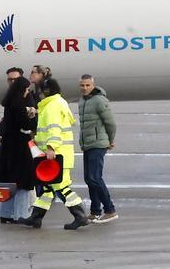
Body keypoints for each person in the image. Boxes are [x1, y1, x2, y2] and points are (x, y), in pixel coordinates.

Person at [19, 78, 88, 230]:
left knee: (61, 187)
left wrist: (51, 147)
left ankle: (80, 215)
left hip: (57, 154)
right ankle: (35, 218)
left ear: (45, 92)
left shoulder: (52, 107)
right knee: (47, 188)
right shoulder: (57, 103)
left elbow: (54, 129)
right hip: (58, 154)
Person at [78, 74, 117, 223]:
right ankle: (95, 211)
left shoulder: (100, 101)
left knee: (95, 178)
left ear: (93, 85)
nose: (85, 88)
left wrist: (110, 140)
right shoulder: (82, 101)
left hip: (98, 144)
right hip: (87, 144)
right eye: (82, 85)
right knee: (89, 179)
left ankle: (110, 210)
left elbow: (111, 123)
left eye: (88, 85)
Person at [0, 76, 36, 224]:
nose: (27, 92)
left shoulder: (8, 104)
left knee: (10, 181)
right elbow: (26, 124)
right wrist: (33, 116)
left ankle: (6, 213)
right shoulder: (19, 104)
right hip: (20, 146)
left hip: (9, 146)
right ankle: (21, 214)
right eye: (26, 89)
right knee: (23, 182)